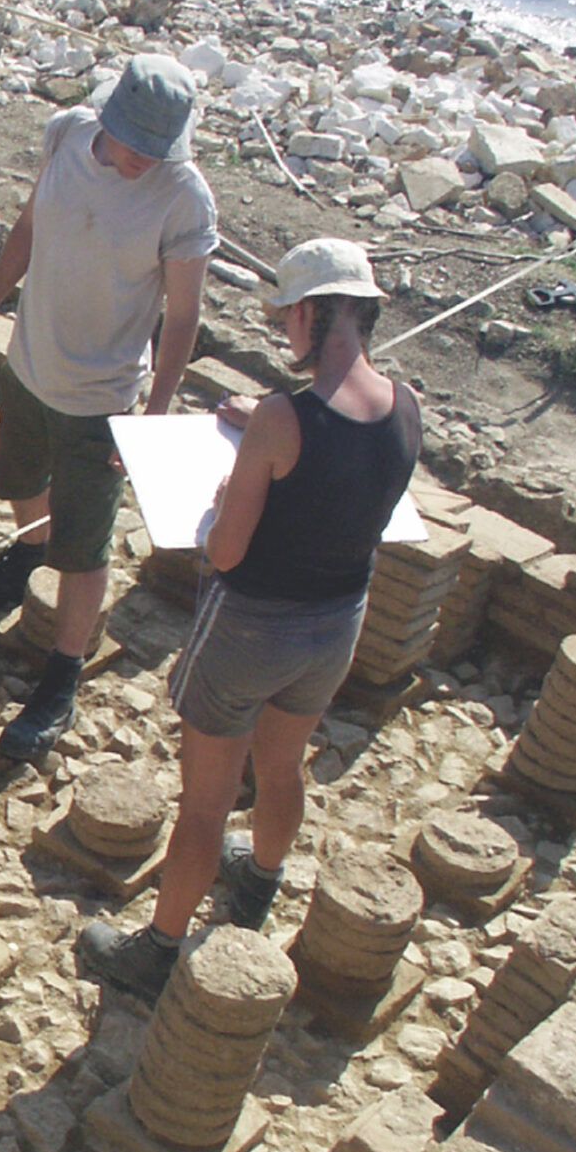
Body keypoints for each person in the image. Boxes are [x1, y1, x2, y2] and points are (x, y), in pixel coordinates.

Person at [77, 237, 423, 1000]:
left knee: (204, 801)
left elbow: (228, 553)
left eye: (286, 321)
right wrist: (263, 435)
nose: (284, 336)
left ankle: (157, 950)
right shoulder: (406, 405)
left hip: (251, 629)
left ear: (308, 312)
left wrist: (220, 502)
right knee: (281, 765)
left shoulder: (279, 420)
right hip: (337, 624)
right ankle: (259, 884)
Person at [0, 54, 218, 761]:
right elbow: (29, 228)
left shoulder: (182, 196)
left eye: (156, 151)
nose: (142, 161)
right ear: (109, 120)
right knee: (16, 482)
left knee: (86, 548)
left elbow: (185, 315)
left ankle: (61, 679)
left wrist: (152, 418)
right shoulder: (68, 133)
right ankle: (24, 554)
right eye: (135, 145)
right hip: (32, 360)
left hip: (104, 396)